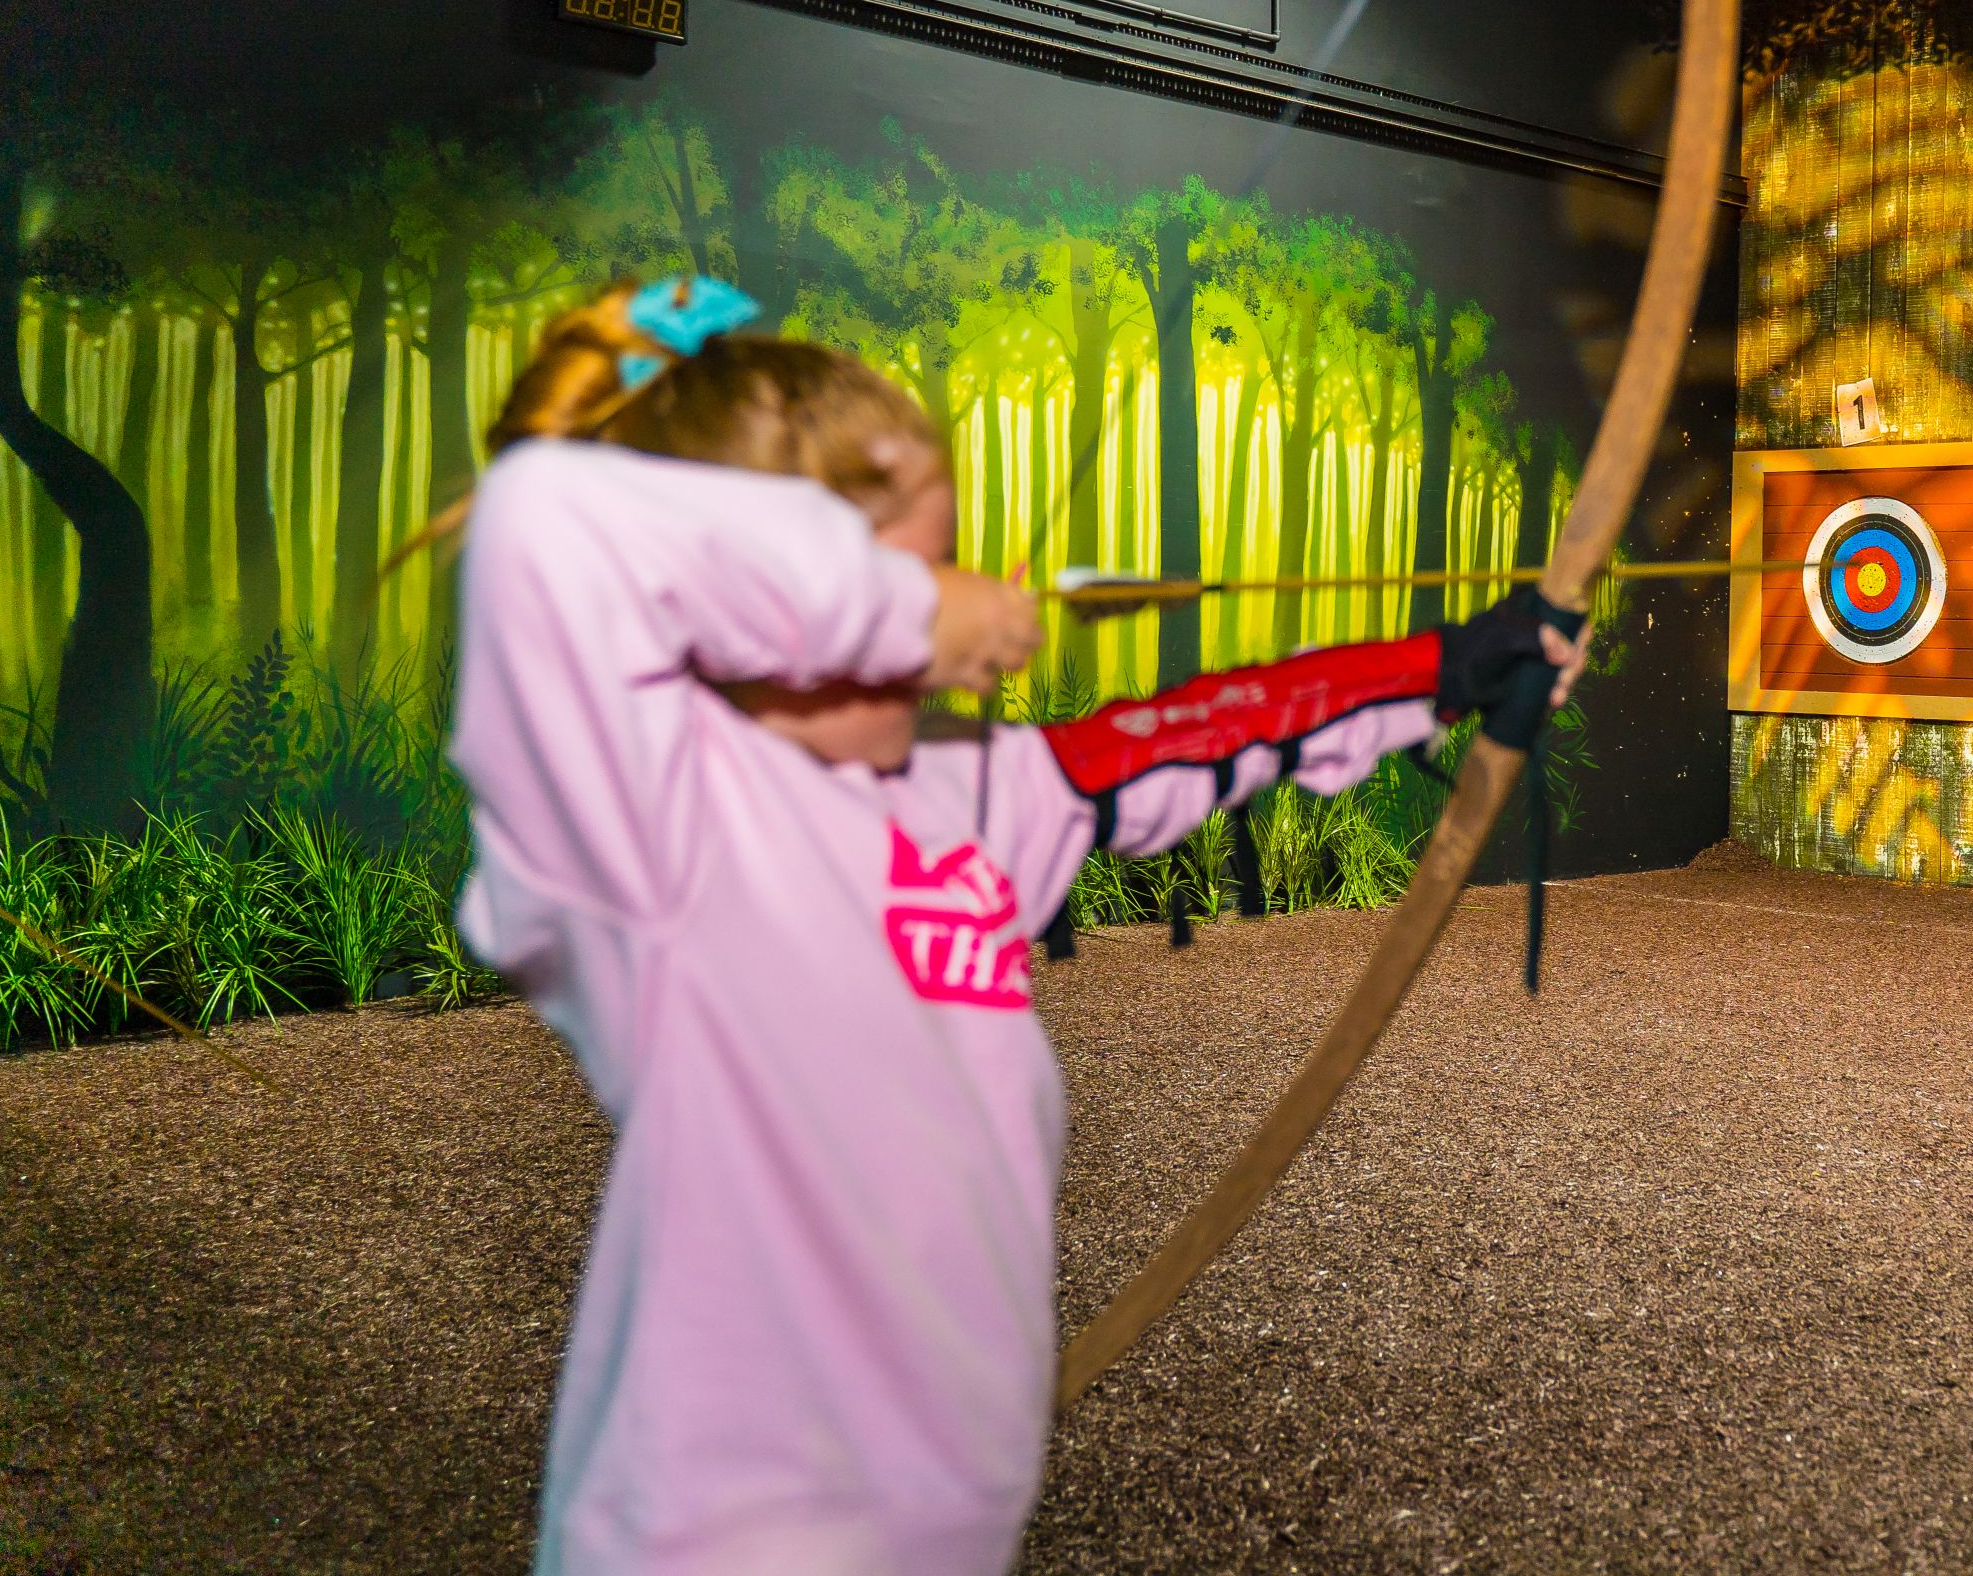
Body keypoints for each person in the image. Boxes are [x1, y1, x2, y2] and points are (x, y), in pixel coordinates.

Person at [440, 277, 1587, 1575]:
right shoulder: (651, 819)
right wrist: (909, 611)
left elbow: (1168, 745)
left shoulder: (960, 790)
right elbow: (538, 518)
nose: (959, 607)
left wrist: (1442, 670)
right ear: (775, 578)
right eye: (918, 565)